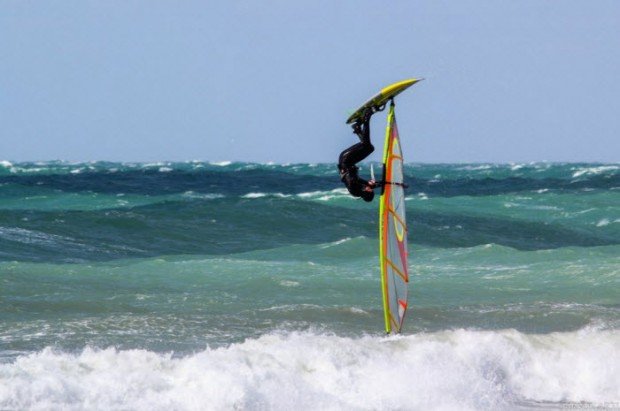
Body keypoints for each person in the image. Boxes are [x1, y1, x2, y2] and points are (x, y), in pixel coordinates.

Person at [338, 107, 379, 202]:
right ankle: (357, 129)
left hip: (345, 160)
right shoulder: (359, 190)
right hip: (350, 161)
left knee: (366, 145)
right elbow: (361, 183)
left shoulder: (354, 188)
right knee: (370, 148)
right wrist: (370, 184)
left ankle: (367, 117)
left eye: (370, 190)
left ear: (366, 192)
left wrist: (367, 183)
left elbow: (353, 180)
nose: (370, 189)